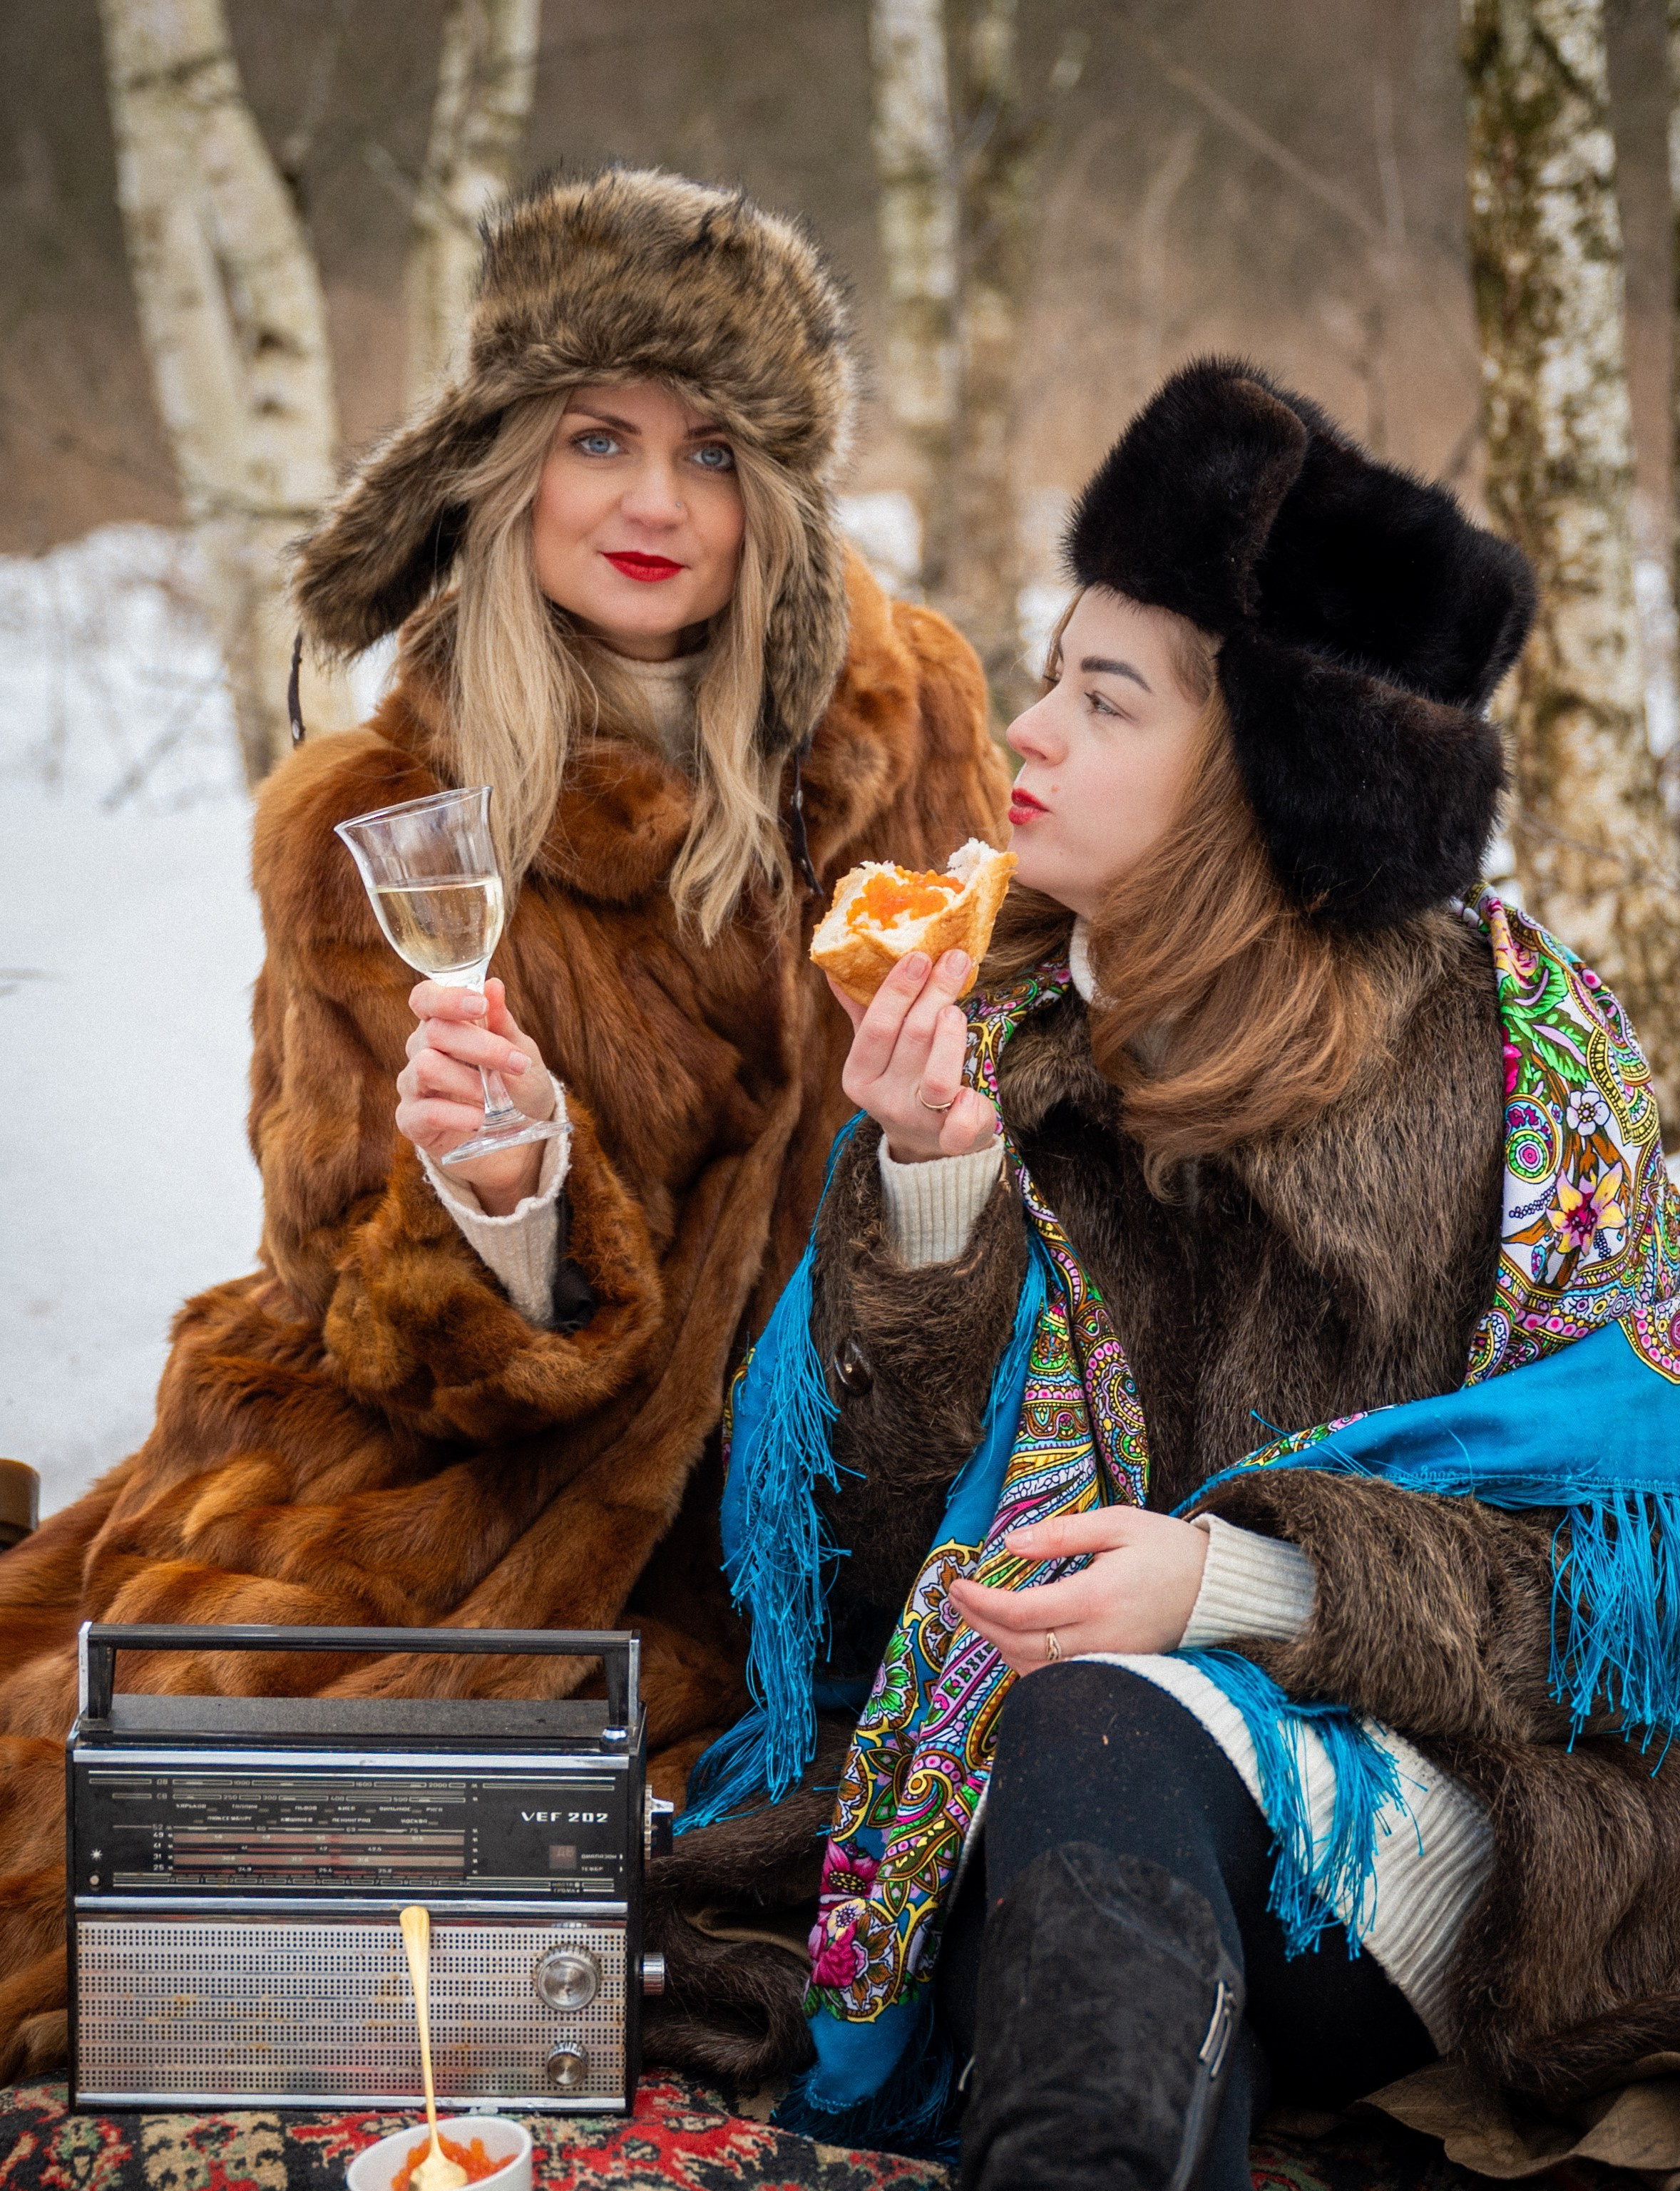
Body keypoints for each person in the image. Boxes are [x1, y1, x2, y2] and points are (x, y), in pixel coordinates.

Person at [708, 362, 1680, 2191]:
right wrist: (921, 1187)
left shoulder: (1517, 1051)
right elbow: (905, 1557)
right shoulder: (993, 1015)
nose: (1021, 731)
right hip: (1103, 1840)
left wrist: (1243, 1591)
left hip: (1488, 1817)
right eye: (1045, 667)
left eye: (1105, 696)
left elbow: (1638, 1616)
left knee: (1106, 1702)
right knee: (1080, 1719)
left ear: (1266, 770)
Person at [0, 167, 1008, 2076]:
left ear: (773, 499)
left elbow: (1023, 1101)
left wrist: (944, 1156)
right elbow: (339, 1280)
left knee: (953, 1819)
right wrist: (507, 1205)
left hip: (830, 1453)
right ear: (500, 465)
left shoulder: (901, 718)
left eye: (712, 453)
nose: (653, 503)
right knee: (158, 1808)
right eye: (596, 437)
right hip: (468, 1469)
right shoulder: (374, 812)